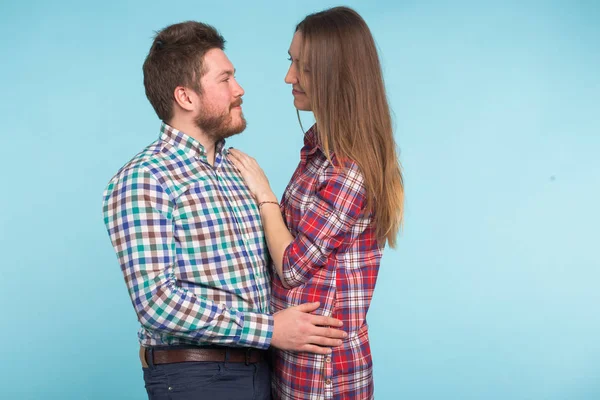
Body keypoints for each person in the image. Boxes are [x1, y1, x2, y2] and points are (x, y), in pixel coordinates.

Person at [102, 20, 347, 400]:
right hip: (197, 377)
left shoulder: (237, 171)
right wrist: (269, 330)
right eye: (225, 79)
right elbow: (157, 302)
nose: (239, 89)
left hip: (262, 369)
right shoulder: (145, 179)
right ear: (186, 97)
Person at [227, 6, 405, 399]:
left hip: (324, 376)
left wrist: (264, 194)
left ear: (335, 75)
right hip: (292, 363)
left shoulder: (348, 170)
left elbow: (291, 266)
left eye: (302, 67)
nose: (288, 77)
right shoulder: (319, 153)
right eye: (291, 62)